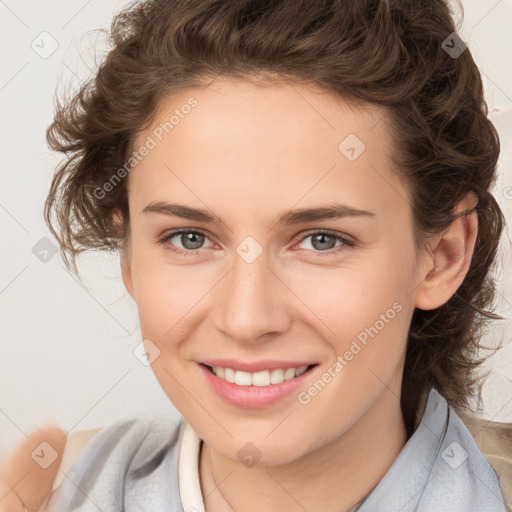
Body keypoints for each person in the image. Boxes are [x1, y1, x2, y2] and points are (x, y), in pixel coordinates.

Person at [1, 0, 511, 510]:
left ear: (444, 256)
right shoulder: (53, 491)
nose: (246, 320)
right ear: (129, 256)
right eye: (190, 238)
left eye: (321, 240)